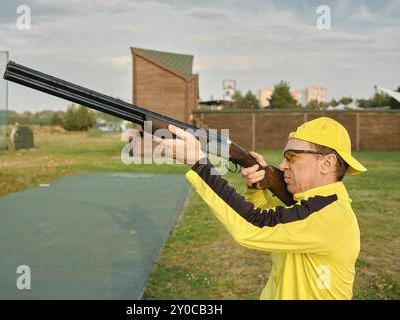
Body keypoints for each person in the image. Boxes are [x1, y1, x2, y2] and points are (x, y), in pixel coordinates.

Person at [155, 117, 367, 300]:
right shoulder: (315, 206)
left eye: (292, 157)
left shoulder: (328, 215)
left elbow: (254, 225)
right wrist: (257, 188)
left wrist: (200, 165)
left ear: (327, 164)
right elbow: (273, 219)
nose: (283, 166)